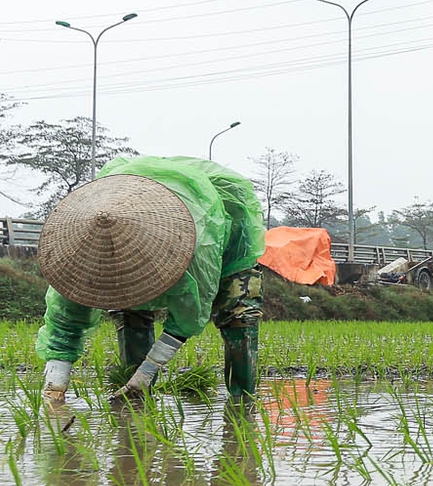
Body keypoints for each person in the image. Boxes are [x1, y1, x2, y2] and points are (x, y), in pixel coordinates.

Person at [35, 155, 267, 404]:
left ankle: (243, 403)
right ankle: (136, 399)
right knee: (128, 309)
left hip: (223, 225)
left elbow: (190, 313)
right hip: (126, 196)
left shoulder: (198, 245)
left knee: (239, 314)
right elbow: (64, 321)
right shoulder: (77, 252)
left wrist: (148, 370)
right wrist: (54, 388)